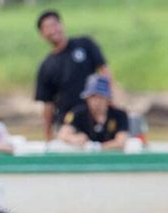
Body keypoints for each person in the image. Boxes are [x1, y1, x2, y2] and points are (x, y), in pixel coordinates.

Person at [34, 10, 112, 141]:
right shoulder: (46, 66)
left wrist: (111, 100)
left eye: (54, 24)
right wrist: (48, 136)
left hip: (93, 116)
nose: (52, 30)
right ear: (42, 34)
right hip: (68, 121)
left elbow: (104, 72)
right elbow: (47, 105)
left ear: (62, 25)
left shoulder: (85, 45)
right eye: (47, 28)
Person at [57, 74, 129, 151]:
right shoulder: (78, 113)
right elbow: (63, 134)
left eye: (100, 97)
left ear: (107, 98)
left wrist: (98, 147)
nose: (96, 102)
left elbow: (121, 141)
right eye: (93, 97)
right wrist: (75, 138)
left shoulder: (119, 115)